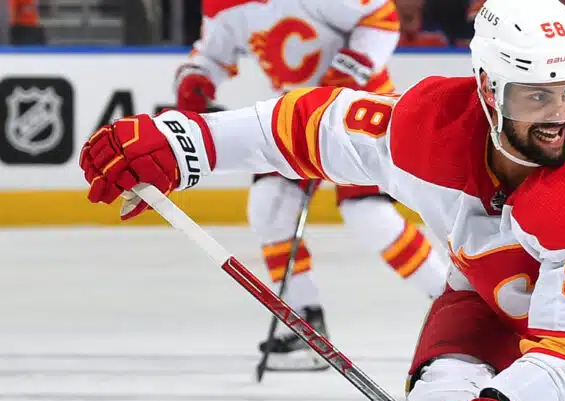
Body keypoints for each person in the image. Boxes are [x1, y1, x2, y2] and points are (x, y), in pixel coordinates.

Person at [79, 0, 565, 401]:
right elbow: (308, 127)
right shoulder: (429, 127)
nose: (559, 117)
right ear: (488, 90)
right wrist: (189, 143)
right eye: (534, 97)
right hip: (484, 296)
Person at [173, 0, 449, 370]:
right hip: (296, 117)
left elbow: (380, 15)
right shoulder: (222, 6)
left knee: (369, 216)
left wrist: (350, 69)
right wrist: (196, 78)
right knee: (269, 207)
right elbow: (211, 54)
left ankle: (455, 305)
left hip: (360, 108)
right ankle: (305, 321)